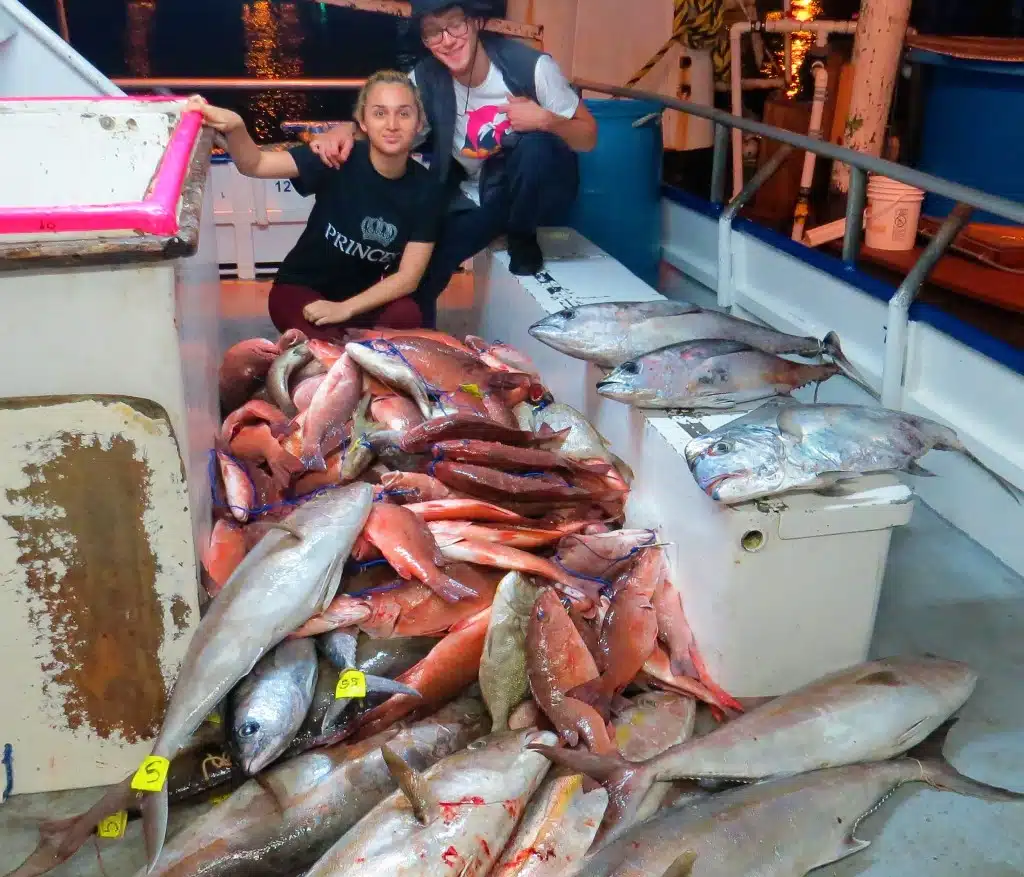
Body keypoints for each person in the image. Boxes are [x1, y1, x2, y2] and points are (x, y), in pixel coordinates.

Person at [309, 0, 598, 328]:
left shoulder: (531, 67)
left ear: (475, 22)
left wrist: (545, 119)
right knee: (424, 272)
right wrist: (346, 128)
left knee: (534, 145)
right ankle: (417, 352)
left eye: (455, 24)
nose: (446, 39)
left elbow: (588, 136)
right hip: (472, 187)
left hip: (535, 186)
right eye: (433, 32)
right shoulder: (425, 75)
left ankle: (521, 233)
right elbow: (390, 115)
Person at [185, 70, 441, 341]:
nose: (392, 124)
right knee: (325, 339)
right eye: (379, 113)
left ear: (419, 122)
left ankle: (349, 340)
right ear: (362, 122)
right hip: (300, 288)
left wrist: (344, 309)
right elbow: (256, 164)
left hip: (355, 300)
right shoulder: (339, 156)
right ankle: (343, 342)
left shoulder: (427, 190)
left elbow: (408, 278)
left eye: (403, 113)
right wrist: (236, 126)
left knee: (408, 316)